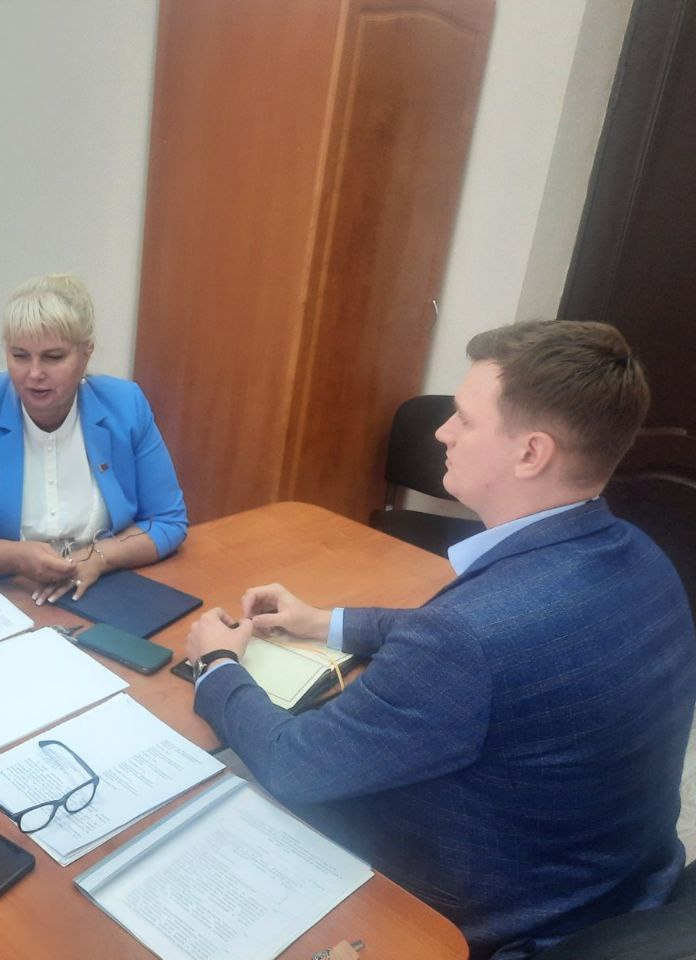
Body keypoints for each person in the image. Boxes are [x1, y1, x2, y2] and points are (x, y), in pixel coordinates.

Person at [186, 320, 696, 959]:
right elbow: (503, 646)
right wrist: (326, 621)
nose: (442, 432)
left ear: (531, 454)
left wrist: (216, 664)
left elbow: (295, 763)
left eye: (465, 419)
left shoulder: (465, 640)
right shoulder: (645, 558)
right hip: (621, 886)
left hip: (499, 921)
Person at [0, 274, 187, 603]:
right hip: (5, 595)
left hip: (101, 589)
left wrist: (98, 558)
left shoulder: (125, 406)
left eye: (53, 357)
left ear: (86, 354)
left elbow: (166, 520)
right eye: (20, 355)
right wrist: (14, 557)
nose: (34, 374)